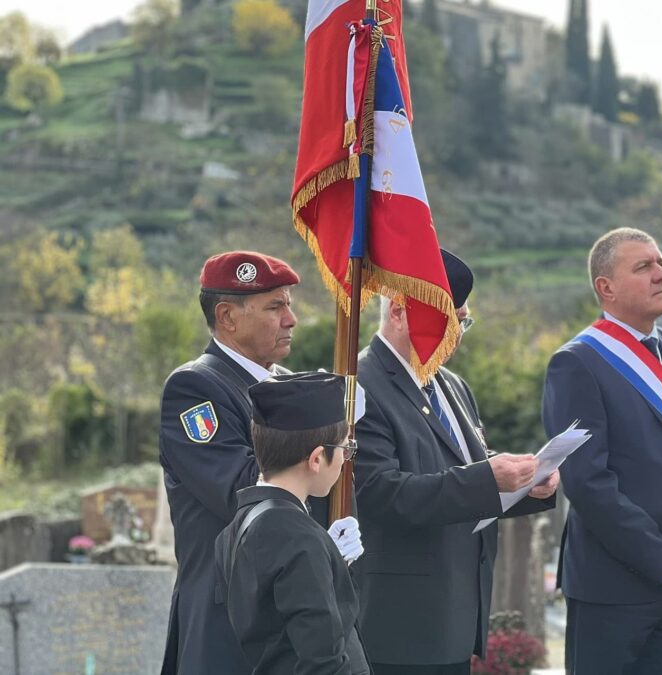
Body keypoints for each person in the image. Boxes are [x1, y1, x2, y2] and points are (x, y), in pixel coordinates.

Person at [351, 249, 559, 675]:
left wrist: (527, 483)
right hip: (399, 624)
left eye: (463, 321)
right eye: (447, 321)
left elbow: (465, 469)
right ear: (398, 313)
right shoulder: (361, 386)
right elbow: (380, 492)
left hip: (456, 612)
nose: (457, 334)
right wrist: (488, 478)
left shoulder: (451, 385)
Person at [542, 227, 662, 675]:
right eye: (643, 266)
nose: (661, 274)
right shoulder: (578, 362)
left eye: (661, 263)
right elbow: (587, 482)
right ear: (605, 287)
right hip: (615, 587)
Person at [159, 251, 357, 674]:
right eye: (274, 307)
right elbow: (244, 491)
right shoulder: (195, 387)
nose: (291, 319)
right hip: (229, 617)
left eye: (289, 305)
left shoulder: (287, 386)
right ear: (227, 317)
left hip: (293, 610)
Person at [215, 371, 369, 674]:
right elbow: (322, 663)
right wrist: (319, 552)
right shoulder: (299, 538)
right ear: (316, 459)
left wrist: (328, 558)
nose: (344, 460)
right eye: (344, 449)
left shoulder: (239, 526)